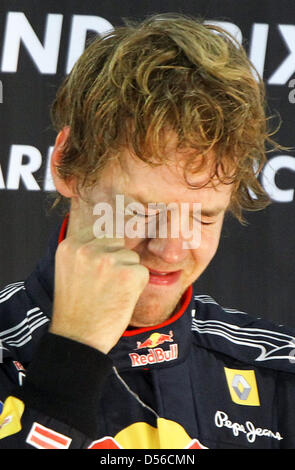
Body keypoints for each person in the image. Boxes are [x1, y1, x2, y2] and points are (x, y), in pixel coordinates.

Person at [0, 13, 294, 450]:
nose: (172, 249)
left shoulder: (278, 369)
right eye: (139, 211)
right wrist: (74, 356)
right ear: (68, 165)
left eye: (203, 217)